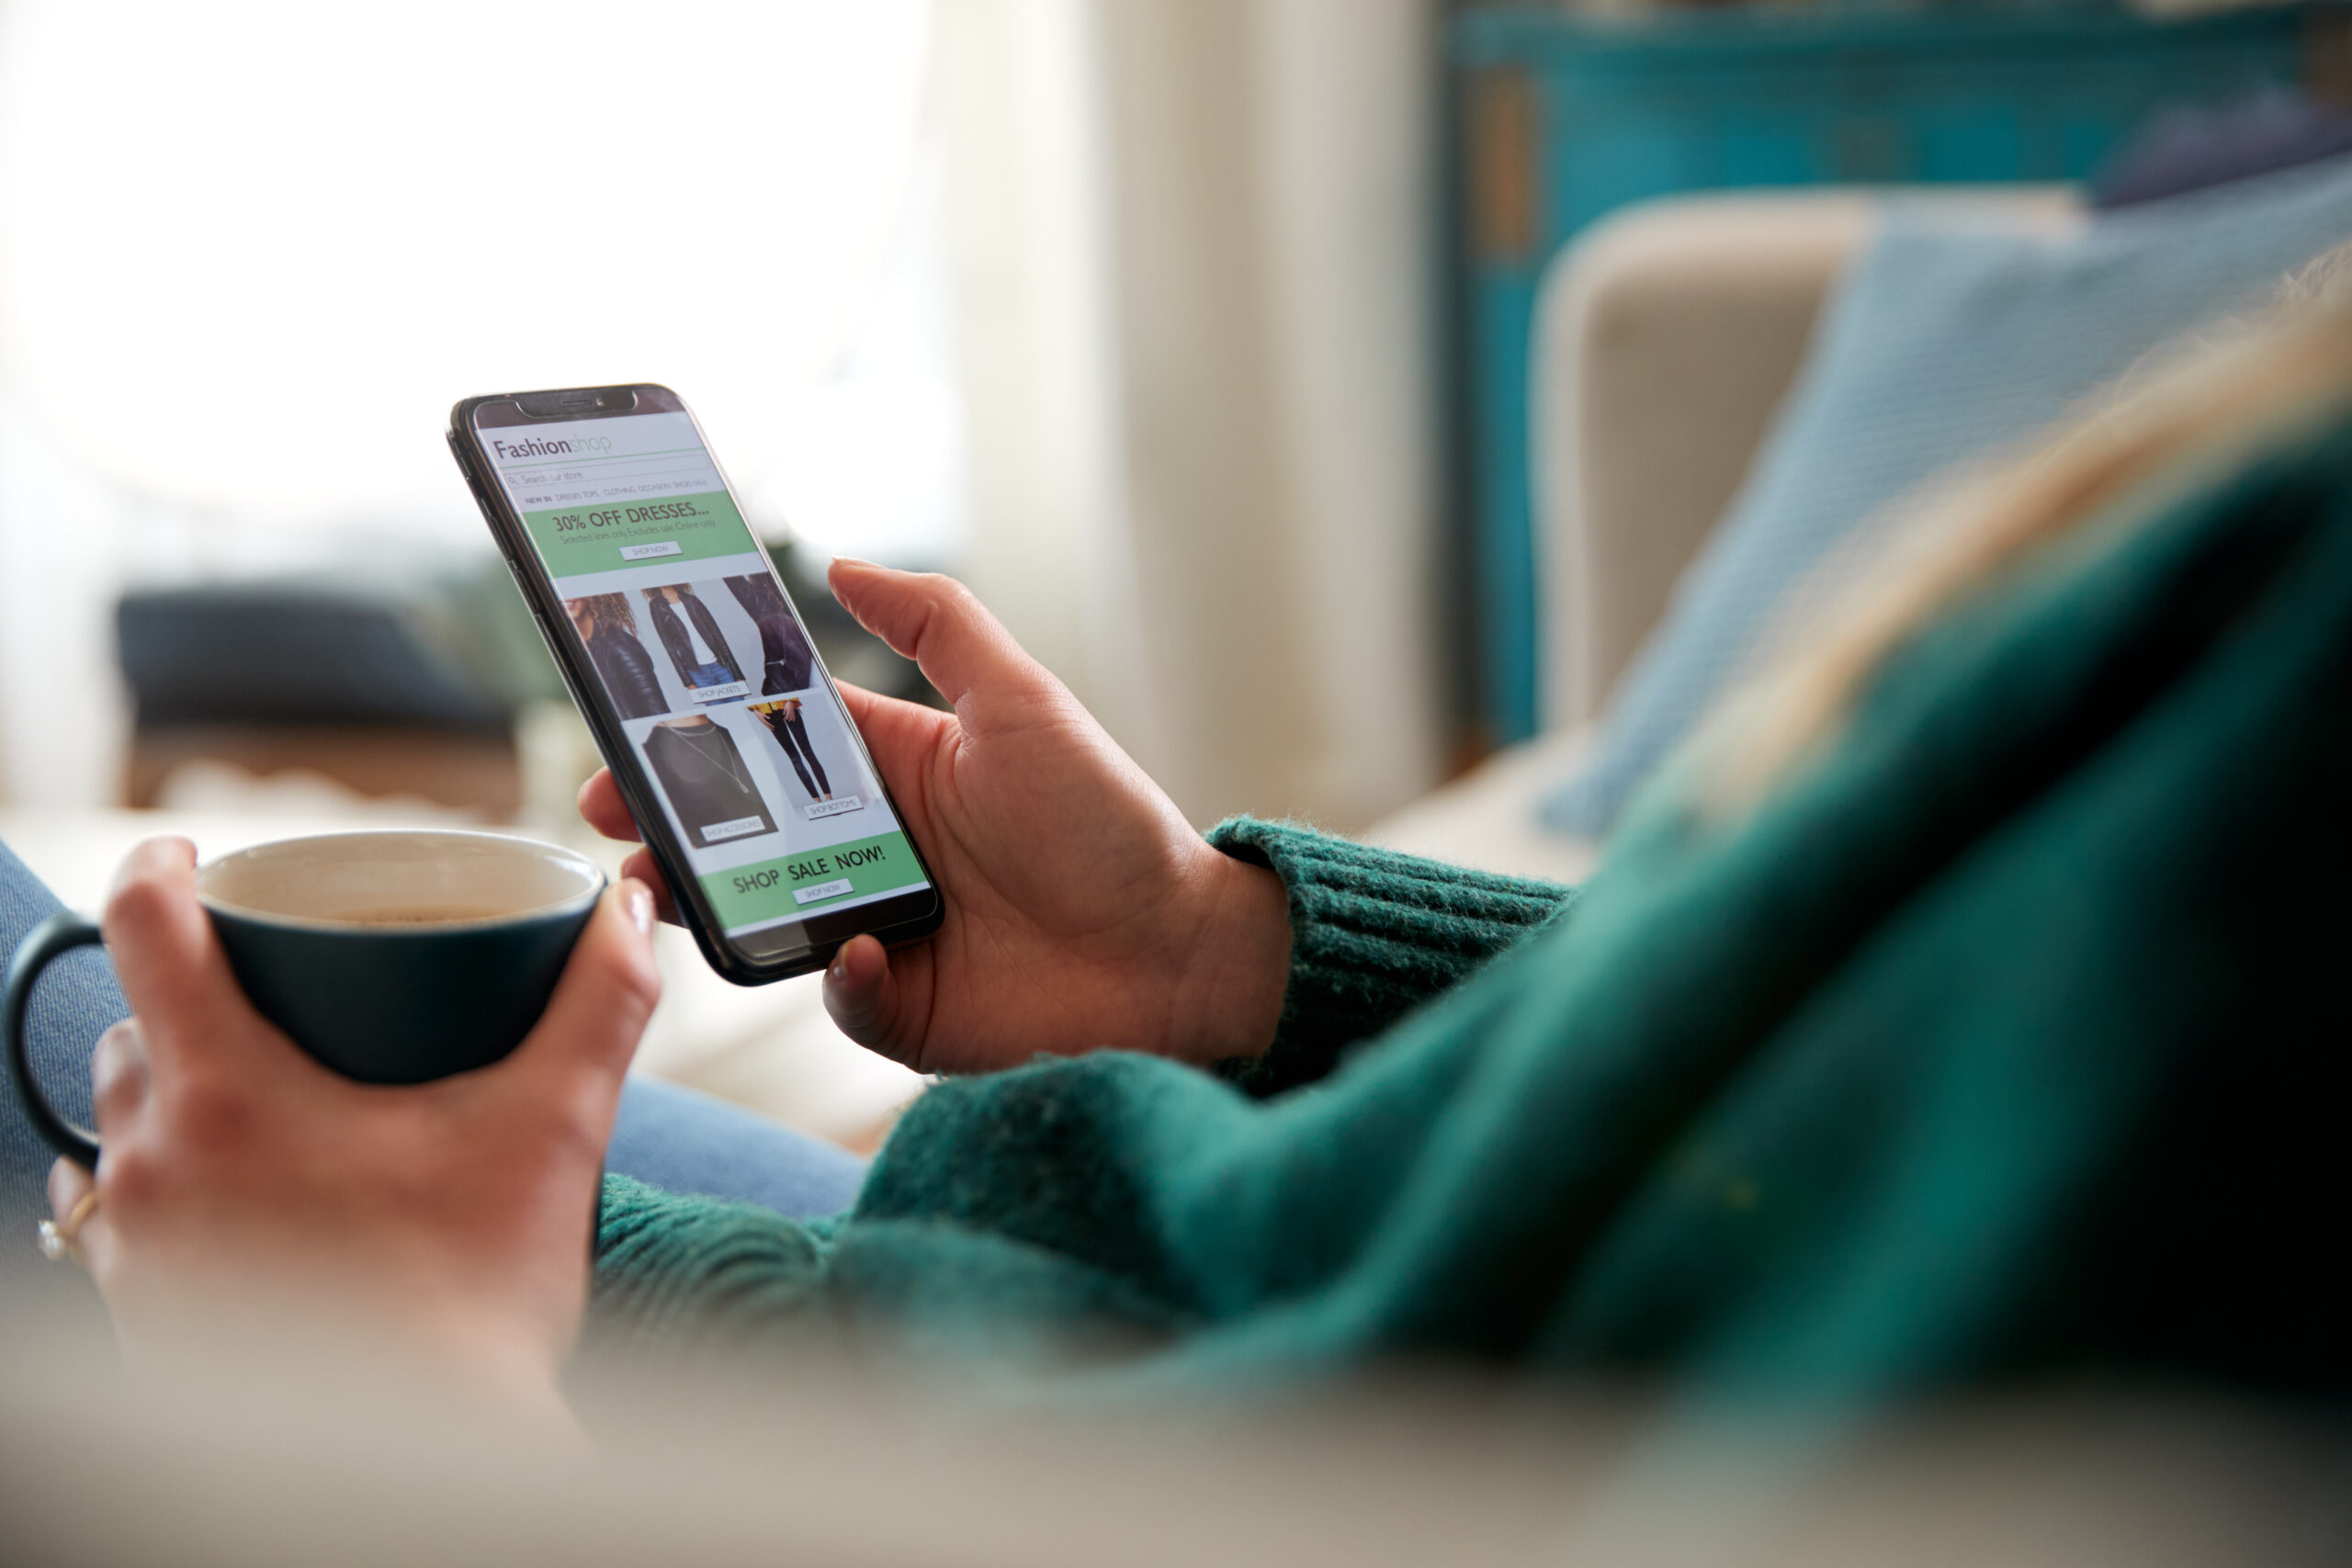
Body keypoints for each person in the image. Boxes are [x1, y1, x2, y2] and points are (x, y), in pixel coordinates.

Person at [10, 296, 2352, 1421]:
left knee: (66, 1012)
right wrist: (1229, 959)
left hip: (1046, 1418)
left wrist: (414, 1382)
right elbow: (1843, 1080)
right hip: (1152, 1271)